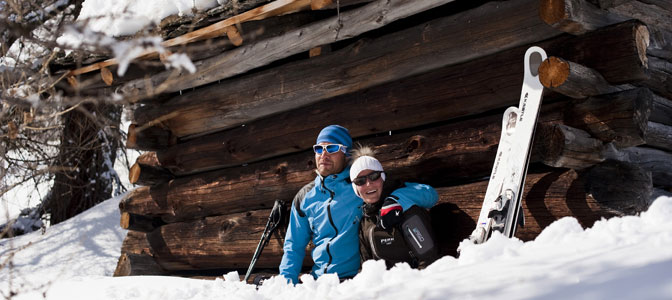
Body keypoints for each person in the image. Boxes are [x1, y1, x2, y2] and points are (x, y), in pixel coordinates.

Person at [279, 125, 362, 284]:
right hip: (320, 283)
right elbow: (293, 246)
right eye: (319, 149)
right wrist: (286, 285)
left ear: (346, 154)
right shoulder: (305, 196)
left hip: (355, 284)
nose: (324, 154)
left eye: (331, 148)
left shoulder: (360, 185)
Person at [350, 146, 439, 269]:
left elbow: (428, 261)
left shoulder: (406, 209)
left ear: (382, 178)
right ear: (356, 189)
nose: (369, 184)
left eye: (374, 176)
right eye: (360, 181)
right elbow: (367, 270)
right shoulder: (365, 222)